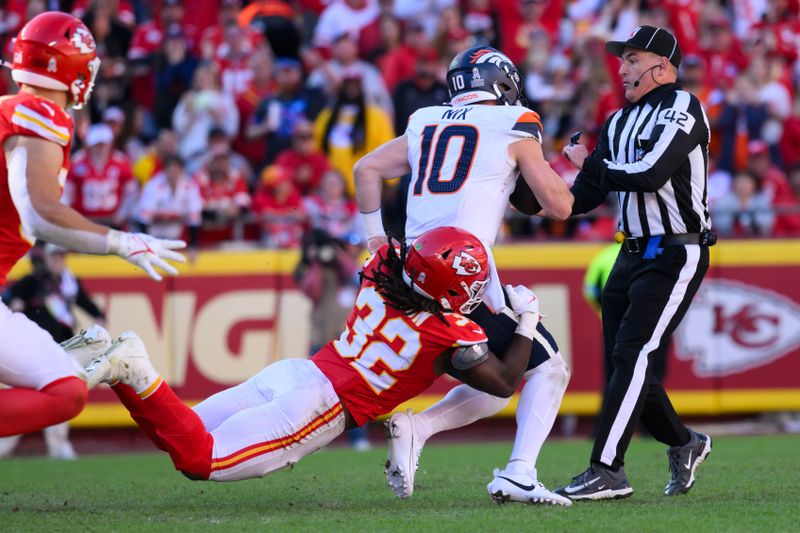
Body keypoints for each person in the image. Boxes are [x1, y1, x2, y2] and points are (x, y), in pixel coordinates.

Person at [77, 227, 551, 489]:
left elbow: (397, 251)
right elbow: (506, 381)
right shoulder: (448, 332)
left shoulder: (382, 266)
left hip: (295, 372)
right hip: (319, 407)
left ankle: (119, 366)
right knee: (201, 460)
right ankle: (136, 368)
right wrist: (527, 319)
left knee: (175, 432)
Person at [352, 45, 573, 505]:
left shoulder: (424, 119)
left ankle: (420, 426)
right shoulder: (516, 122)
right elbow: (559, 206)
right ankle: (520, 472)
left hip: (408, 273)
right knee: (548, 367)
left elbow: (366, 169)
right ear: (503, 83)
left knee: (501, 378)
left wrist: (376, 242)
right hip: (460, 271)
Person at [0, 12, 185, 438]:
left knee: (65, 381)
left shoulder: (13, 109)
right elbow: (38, 212)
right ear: (69, 66)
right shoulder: (39, 112)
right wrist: (121, 243)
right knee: (65, 393)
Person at [558, 26, 715, 501]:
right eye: (622, 59)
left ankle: (607, 469)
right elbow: (584, 197)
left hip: (675, 249)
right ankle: (685, 443)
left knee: (632, 356)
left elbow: (651, 174)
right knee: (627, 364)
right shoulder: (617, 120)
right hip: (630, 254)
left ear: (662, 66)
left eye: (631, 59)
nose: (622, 68)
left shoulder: (684, 107)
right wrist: (526, 191)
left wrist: (589, 163)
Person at [0, 244, 105, 459]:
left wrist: (98, 314)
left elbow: (84, 302)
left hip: (59, 348)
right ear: (43, 259)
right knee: (28, 403)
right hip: (30, 354)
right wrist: (15, 302)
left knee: (62, 393)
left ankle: (59, 448)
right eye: (54, 257)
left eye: (61, 256)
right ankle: (5, 447)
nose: (58, 261)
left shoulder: (68, 282)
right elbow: (7, 296)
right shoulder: (32, 281)